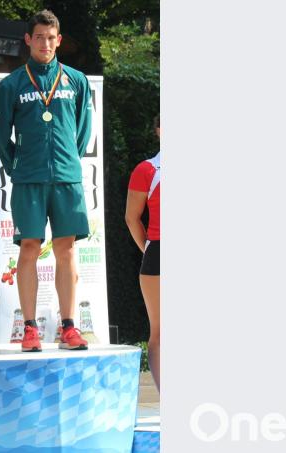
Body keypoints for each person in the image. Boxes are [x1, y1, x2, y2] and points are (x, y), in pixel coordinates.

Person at [0, 10, 92, 352]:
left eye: (51, 38)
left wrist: (67, 160)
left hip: (66, 179)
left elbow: (83, 131)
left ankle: (68, 327)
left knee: (66, 249)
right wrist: (18, 167)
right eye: (39, 37)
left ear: (58, 40)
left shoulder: (77, 81)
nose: (45, 44)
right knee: (30, 249)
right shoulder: (12, 85)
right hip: (29, 180)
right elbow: (1, 134)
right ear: (28, 40)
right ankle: (31, 328)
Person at [125, 115, 161, 391]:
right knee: (160, 332)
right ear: (158, 130)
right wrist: (147, 249)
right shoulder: (147, 169)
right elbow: (131, 218)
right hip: (158, 251)